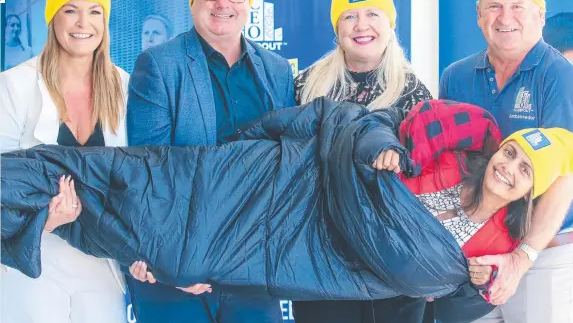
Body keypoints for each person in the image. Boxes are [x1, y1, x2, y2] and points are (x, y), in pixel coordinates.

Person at [3, 98, 573, 322]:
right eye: (511, 152)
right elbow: (350, 125)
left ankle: (33, 220)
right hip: (273, 184)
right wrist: (378, 151)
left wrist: (219, 280)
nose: (508, 167)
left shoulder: (490, 254)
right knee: (109, 172)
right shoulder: (443, 158)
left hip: (288, 247)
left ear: (531, 193)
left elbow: (312, 276)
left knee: (119, 226)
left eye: (525, 171)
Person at [126, 0, 295, 323]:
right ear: (192, 0)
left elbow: (287, 169)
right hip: (177, 263)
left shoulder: (277, 71)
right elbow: (150, 169)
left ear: (249, 2)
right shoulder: (158, 64)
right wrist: (176, 262)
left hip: (250, 264)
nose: (223, 2)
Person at [440, 0, 573, 323]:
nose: (505, 17)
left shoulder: (559, 76)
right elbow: (447, 171)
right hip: (471, 258)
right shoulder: (456, 77)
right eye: (494, 6)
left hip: (543, 254)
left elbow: (566, 176)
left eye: (518, 6)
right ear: (479, 15)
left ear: (540, 15)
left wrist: (520, 258)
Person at [293, 0, 432, 323]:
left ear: (390, 23)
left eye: (373, 13)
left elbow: (430, 180)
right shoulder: (305, 85)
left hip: (394, 263)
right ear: (336, 27)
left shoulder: (415, 93)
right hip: (321, 263)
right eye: (349, 15)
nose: (361, 25)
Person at [0, 0, 129, 323]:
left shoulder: (126, 89)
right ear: (52, 17)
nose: (82, 24)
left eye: (94, 12)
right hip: (35, 257)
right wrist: (45, 220)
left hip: (102, 264)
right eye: (70, 10)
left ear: (105, 21)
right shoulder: (14, 86)